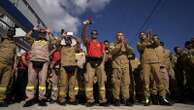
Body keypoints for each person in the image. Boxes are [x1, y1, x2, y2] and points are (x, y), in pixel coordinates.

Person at [137, 32, 172, 106]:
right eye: (141, 35)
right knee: (146, 81)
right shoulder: (139, 43)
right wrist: (146, 40)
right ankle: (147, 98)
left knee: (159, 79)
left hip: (155, 62)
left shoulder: (152, 42)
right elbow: (141, 48)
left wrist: (153, 37)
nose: (142, 36)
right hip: (145, 63)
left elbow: (157, 43)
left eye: (143, 35)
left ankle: (162, 97)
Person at [23, 26, 53, 107]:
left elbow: (54, 42)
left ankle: (41, 98)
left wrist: (49, 33)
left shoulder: (48, 42)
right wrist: (32, 30)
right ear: (38, 33)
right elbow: (26, 37)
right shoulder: (33, 41)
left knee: (42, 81)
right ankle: (29, 98)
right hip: (33, 62)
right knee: (30, 81)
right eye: (41, 32)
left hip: (44, 63)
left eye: (44, 33)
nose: (42, 34)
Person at [81, 19, 107, 107]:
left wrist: (103, 63)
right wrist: (85, 26)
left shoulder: (101, 43)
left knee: (101, 82)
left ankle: (102, 100)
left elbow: (104, 54)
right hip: (90, 62)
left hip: (99, 62)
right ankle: (90, 100)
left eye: (95, 33)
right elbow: (83, 36)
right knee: (89, 81)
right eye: (92, 33)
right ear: (91, 35)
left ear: (97, 35)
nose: (94, 34)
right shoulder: (88, 42)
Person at [110, 32, 133, 106]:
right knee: (116, 83)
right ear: (116, 37)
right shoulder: (113, 44)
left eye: (121, 35)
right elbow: (112, 52)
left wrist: (125, 45)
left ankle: (126, 99)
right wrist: (120, 45)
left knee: (126, 83)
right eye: (118, 35)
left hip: (125, 67)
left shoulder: (126, 44)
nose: (120, 37)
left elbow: (130, 52)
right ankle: (116, 99)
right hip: (116, 66)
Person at [57, 31, 79, 105]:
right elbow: (57, 43)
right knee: (63, 83)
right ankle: (62, 99)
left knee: (72, 84)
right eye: (67, 40)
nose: (68, 41)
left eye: (69, 40)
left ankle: (72, 99)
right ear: (65, 41)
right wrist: (62, 36)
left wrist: (73, 36)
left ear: (71, 41)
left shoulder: (74, 48)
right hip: (63, 67)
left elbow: (79, 42)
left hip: (73, 66)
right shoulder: (61, 48)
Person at [0, 28, 17, 107]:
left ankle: (1, 99)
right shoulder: (2, 39)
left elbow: (15, 56)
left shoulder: (14, 43)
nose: (11, 32)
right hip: (0, 62)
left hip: (9, 66)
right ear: (7, 31)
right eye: (9, 31)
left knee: (4, 84)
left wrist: (14, 67)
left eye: (12, 32)